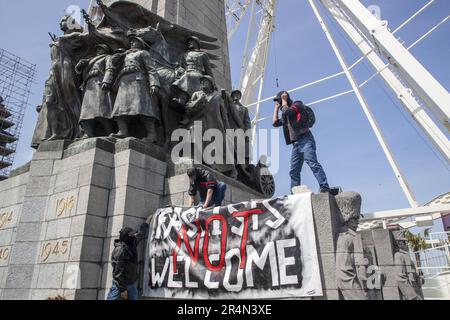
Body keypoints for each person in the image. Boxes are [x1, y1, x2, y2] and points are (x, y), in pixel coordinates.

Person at [272, 90, 334, 194]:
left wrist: (284, 100)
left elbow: (287, 111)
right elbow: (275, 123)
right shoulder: (286, 114)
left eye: (279, 100)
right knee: (294, 171)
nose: (279, 102)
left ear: (285, 98)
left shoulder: (297, 104)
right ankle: (294, 193)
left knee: (312, 162)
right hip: (295, 144)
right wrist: (276, 108)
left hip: (305, 139)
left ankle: (324, 187)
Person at [107, 221, 150, 301]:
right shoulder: (120, 250)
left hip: (131, 284)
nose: (134, 237)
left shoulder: (130, 245)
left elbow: (139, 235)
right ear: (126, 237)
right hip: (120, 286)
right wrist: (123, 289)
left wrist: (146, 223)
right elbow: (117, 272)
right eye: (131, 236)